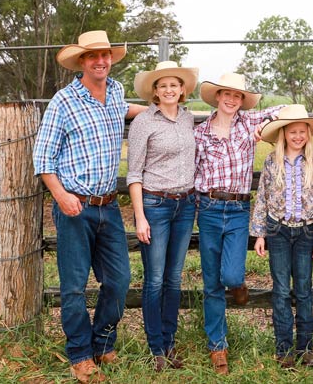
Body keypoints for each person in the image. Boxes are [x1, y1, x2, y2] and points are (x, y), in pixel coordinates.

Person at [33, 30, 147, 383]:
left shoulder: (114, 94)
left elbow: (135, 110)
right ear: (82, 61)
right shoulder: (63, 101)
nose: (101, 61)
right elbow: (43, 159)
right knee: (74, 285)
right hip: (74, 207)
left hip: (109, 207)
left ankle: (102, 342)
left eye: (106, 55)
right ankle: (80, 354)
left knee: (119, 280)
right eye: (93, 56)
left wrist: (170, 111)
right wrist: (61, 195)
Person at [193, 72, 283, 374]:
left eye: (237, 96)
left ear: (242, 101)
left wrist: (267, 128)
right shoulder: (201, 132)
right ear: (217, 97)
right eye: (226, 94)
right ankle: (217, 345)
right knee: (211, 282)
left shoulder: (248, 123)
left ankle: (238, 284)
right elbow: (195, 170)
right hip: (207, 206)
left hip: (237, 208)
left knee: (230, 275)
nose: (231, 100)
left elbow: (283, 110)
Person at [126, 61, 199, 372]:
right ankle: (155, 346)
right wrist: (140, 217)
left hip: (186, 205)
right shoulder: (144, 121)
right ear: (154, 91)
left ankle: (170, 343)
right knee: (154, 279)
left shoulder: (188, 119)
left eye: (174, 85)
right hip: (155, 205)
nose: (169, 90)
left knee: (174, 278)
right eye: (163, 85)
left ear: (182, 90)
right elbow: (133, 174)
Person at [251, 104, 313, 369]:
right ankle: (284, 350)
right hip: (278, 230)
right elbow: (262, 196)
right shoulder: (273, 161)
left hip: (306, 231)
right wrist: (259, 234)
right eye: (292, 132)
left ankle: (305, 348)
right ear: (284, 134)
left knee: (304, 290)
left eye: (302, 132)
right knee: (282, 290)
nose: (297, 136)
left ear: (308, 133)